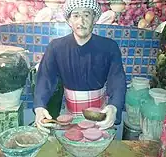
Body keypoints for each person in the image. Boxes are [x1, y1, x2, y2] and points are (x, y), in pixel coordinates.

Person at [34, 0, 126, 131]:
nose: (81, 21)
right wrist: (39, 107)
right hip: (69, 115)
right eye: (76, 15)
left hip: (101, 115)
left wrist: (114, 107)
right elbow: (45, 78)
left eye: (87, 15)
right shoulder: (55, 47)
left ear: (94, 19)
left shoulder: (110, 47)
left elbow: (117, 80)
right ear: (69, 21)